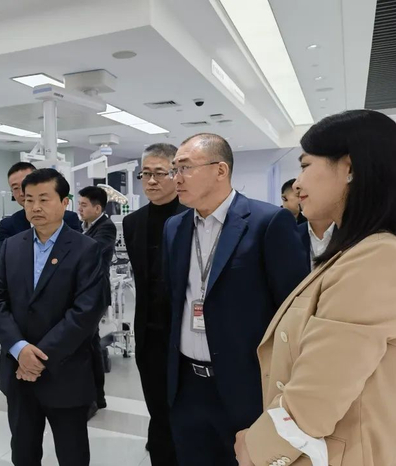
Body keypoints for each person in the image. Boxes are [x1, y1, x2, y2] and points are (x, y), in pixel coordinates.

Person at [234, 110, 396, 466]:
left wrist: (256, 448)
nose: (297, 184)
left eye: (306, 165)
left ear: (349, 168)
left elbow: (317, 396)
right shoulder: (355, 252)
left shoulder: (375, 258)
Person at [162, 134, 308, 466]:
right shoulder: (175, 227)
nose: (176, 178)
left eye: (185, 167)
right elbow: (172, 299)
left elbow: (292, 311)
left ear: (220, 170)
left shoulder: (266, 222)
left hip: (246, 386)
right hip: (187, 385)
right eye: (174, 169)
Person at [0, 169, 106, 466]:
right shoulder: (12, 246)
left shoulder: (86, 249)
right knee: (23, 453)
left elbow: (86, 311)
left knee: (72, 454)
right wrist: (19, 349)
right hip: (18, 374)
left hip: (65, 373)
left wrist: (38, 357)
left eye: (44, 199)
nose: (35, 207)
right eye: (29, 199)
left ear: (64, 202)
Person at [122, 142, 186, 465]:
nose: (150, 181)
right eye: (145, 174)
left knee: (186, 413)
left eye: (159, 173)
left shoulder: (192, 216)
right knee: (157, 409)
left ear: (177, 174)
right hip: (149, 333)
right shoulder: (132, 223)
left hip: (187, 333)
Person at [78, 185, 117, 418]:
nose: (79, 209)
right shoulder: (86, 227)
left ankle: (94, 399)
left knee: (90, 346)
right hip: (84, 293)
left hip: (95, 294)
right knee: (89, 344)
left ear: (97, 208)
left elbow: (93, 252)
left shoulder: (106, 227)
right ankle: (96, 397)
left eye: (83, 205)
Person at [0, 162, 81, 255]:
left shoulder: (69, 219)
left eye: (27, 183)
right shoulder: (8, 225)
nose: (22, 192)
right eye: (16, 188)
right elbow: (6, 259)